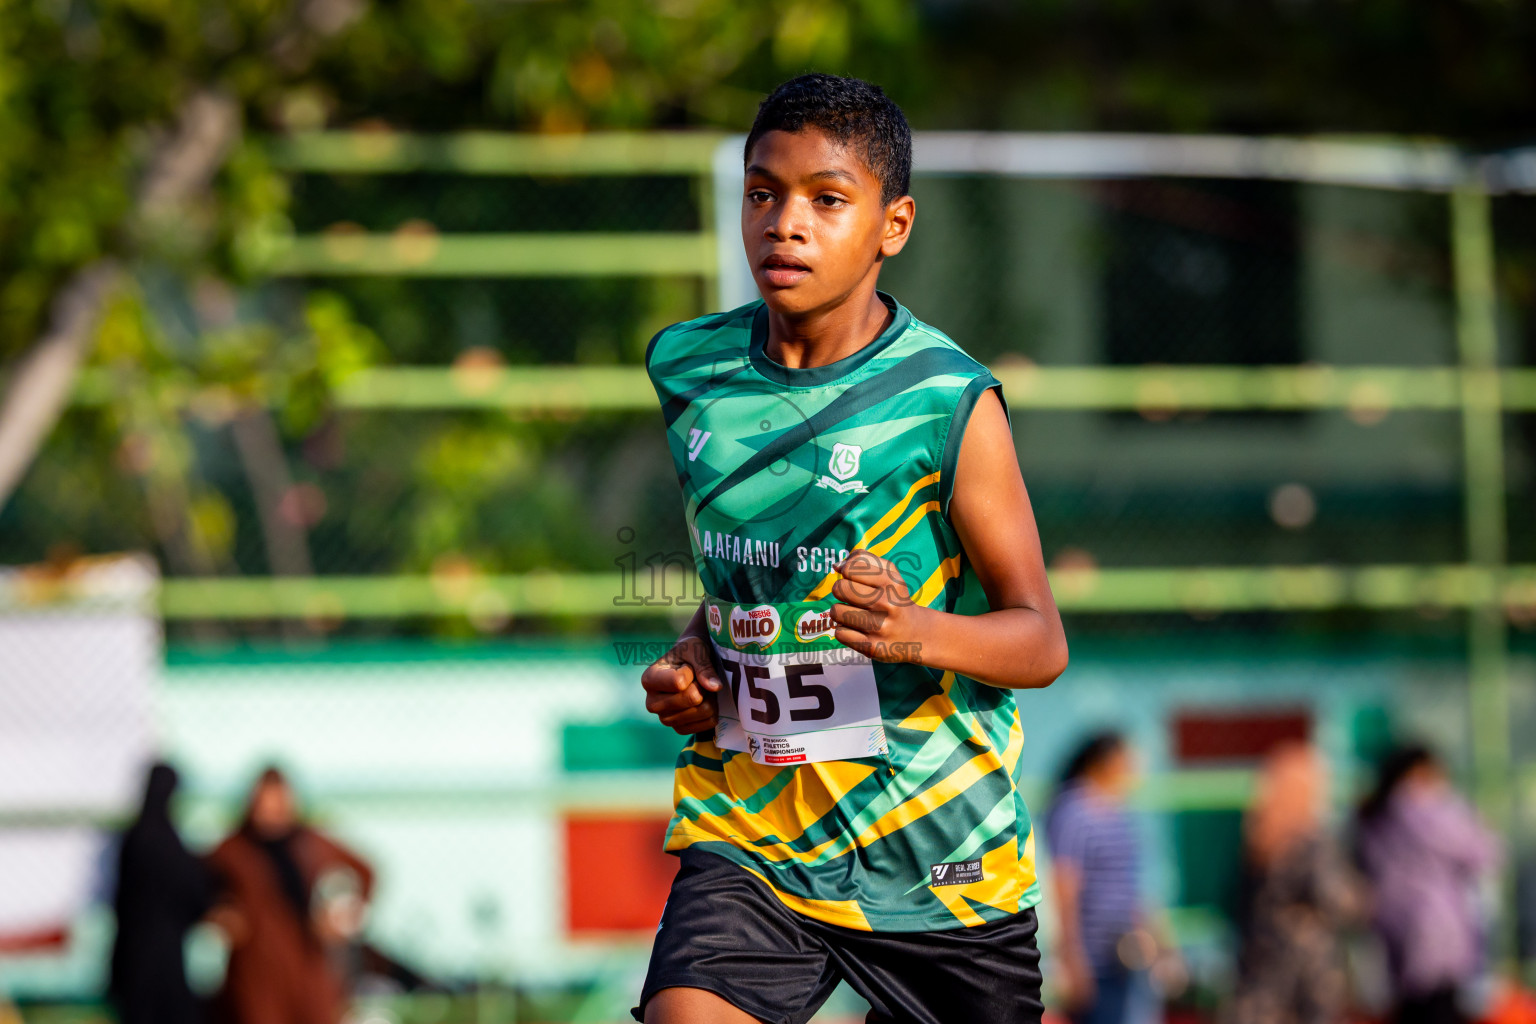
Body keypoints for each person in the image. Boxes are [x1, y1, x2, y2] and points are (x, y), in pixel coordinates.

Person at [635, 73, 1069, 1024]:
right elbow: (748, 581)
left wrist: (912, 632)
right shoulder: (690, 368)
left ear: (892, 225)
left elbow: (1040, 640)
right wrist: (695, 658)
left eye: (826, 200)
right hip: (755, 836)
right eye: (763, 193)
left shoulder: (948, 401)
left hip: (939, 861)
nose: (785, 224)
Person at [207, 767, 375, 1024]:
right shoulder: (235, 849)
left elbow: (365, 870)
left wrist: (343, 916)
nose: (270, 814)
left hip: (308, 959)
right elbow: (196, 885)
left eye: (277, 804)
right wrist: (218, 914)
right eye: (263, 804)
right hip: (256, 966)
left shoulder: (310, 843)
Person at [1355, 744, 1499, 1024]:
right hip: (1437, 936)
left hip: (1395, 936)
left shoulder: (1375, 819)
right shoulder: (1425, 810)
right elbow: (1485, 851)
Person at [1230, 742, 1363, 1024]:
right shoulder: (1310, 841)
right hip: (1308, 971)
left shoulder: (1257, 841)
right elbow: (1336, 898)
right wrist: (1362, 897)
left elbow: (1234, 905)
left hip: (1262, 965)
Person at [1045, 732, 1154, 1024]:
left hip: (1124, 957)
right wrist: (1073, 960)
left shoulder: (1117, 812)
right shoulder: (1074, 811)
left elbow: (1127, 885)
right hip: (1092, 961)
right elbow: (1065, 886)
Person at [108, 762, 215, 1024]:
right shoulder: (171, 844)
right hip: (166, 955)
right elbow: (194, 894)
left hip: (133, 953)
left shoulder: (134, 838)